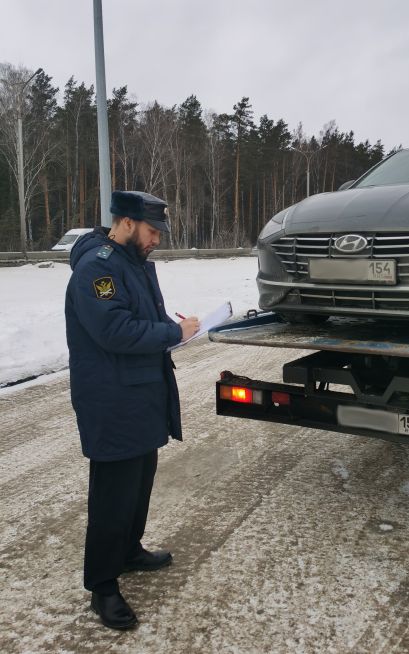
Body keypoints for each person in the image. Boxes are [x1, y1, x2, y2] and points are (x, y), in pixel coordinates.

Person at [65, 191, 199, 630]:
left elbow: (137, 319)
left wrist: (169, 331)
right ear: (125, 223)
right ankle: (102, 586)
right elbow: (114, 330)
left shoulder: (132, 264)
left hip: (139, 395)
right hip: (112, 400)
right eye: (152, 230)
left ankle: (128, 550)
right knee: (112, 496)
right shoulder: (98, 267)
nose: (157, 239)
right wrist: (172, 332)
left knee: (139, 481)